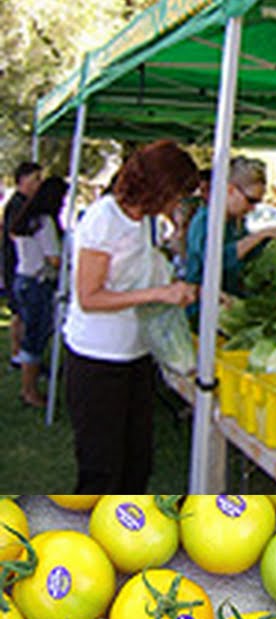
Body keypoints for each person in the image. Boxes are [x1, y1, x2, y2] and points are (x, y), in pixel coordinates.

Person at [63, 140, 200, 493]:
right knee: (101, 468)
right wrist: (159, 294)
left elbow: (144, 275)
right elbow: (89, 297)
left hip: (135, 354)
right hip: (97, 361)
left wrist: (179, 288)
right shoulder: (103, 219)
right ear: (160, 189)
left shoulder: (143, 222)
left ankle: (127, 537)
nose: (178, 204)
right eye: (177, 195)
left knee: (137, 463)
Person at [182, 157, 276, 304]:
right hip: (203, 312)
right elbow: (215, 261)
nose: (253, 208)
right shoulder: (206, 221)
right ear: (230, 190)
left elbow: (248, 258)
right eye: (251, 200)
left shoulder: (235, 222)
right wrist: (261, 235)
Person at [9, 176, 69, 408]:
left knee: (29, 336)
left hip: (22, 278)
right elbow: (54, 259)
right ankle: (30, 391)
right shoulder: (44, 222)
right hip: (37, 283)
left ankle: (28, 387)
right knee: (35, 338)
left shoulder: (25, 218)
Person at [4, 162, 42, 367]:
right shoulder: (18, 204)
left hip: (18, 264)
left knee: (20, 312)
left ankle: (19, 356)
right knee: (19, 312)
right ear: (22, 180)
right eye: (35, 179)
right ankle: (17, 354)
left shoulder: (23, 203)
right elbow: (14, 235)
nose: (39, 184)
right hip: (16, 264)